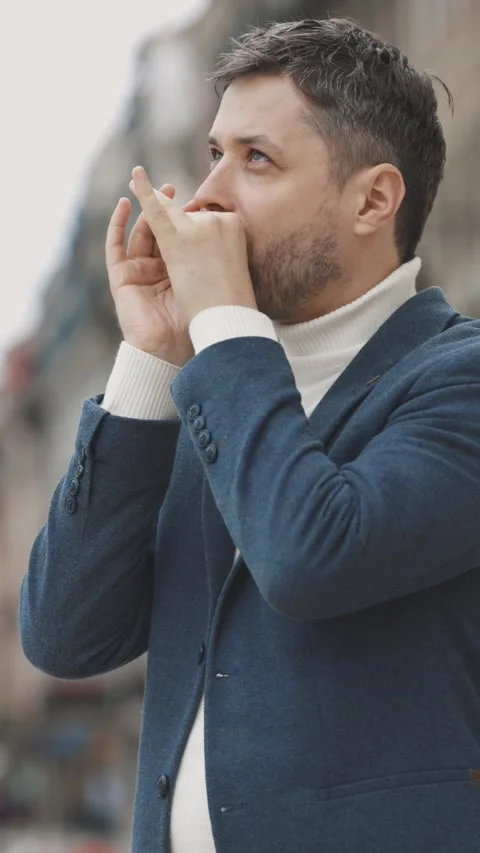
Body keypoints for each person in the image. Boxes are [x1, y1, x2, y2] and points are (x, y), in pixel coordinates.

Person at [19, 16, 480, 853]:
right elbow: (65, 633)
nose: (203, 198)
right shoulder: (210, 390)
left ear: (374, 199)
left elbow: (313, 555)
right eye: (213, 154)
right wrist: (154, 356)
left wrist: (224, 327)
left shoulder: (460, 379)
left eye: (256, 160)